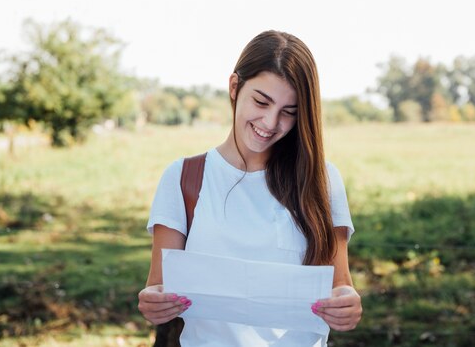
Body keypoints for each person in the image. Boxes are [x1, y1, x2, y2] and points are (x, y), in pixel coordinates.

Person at [138, 30, 362, 346]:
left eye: (289, 112)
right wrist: (154, 304)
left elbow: (340, 284)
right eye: (261, 101)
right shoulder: (183, 177)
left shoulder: (321, 180)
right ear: (234, 87)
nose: (270, 123)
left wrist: (347, 304)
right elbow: (158, 288)